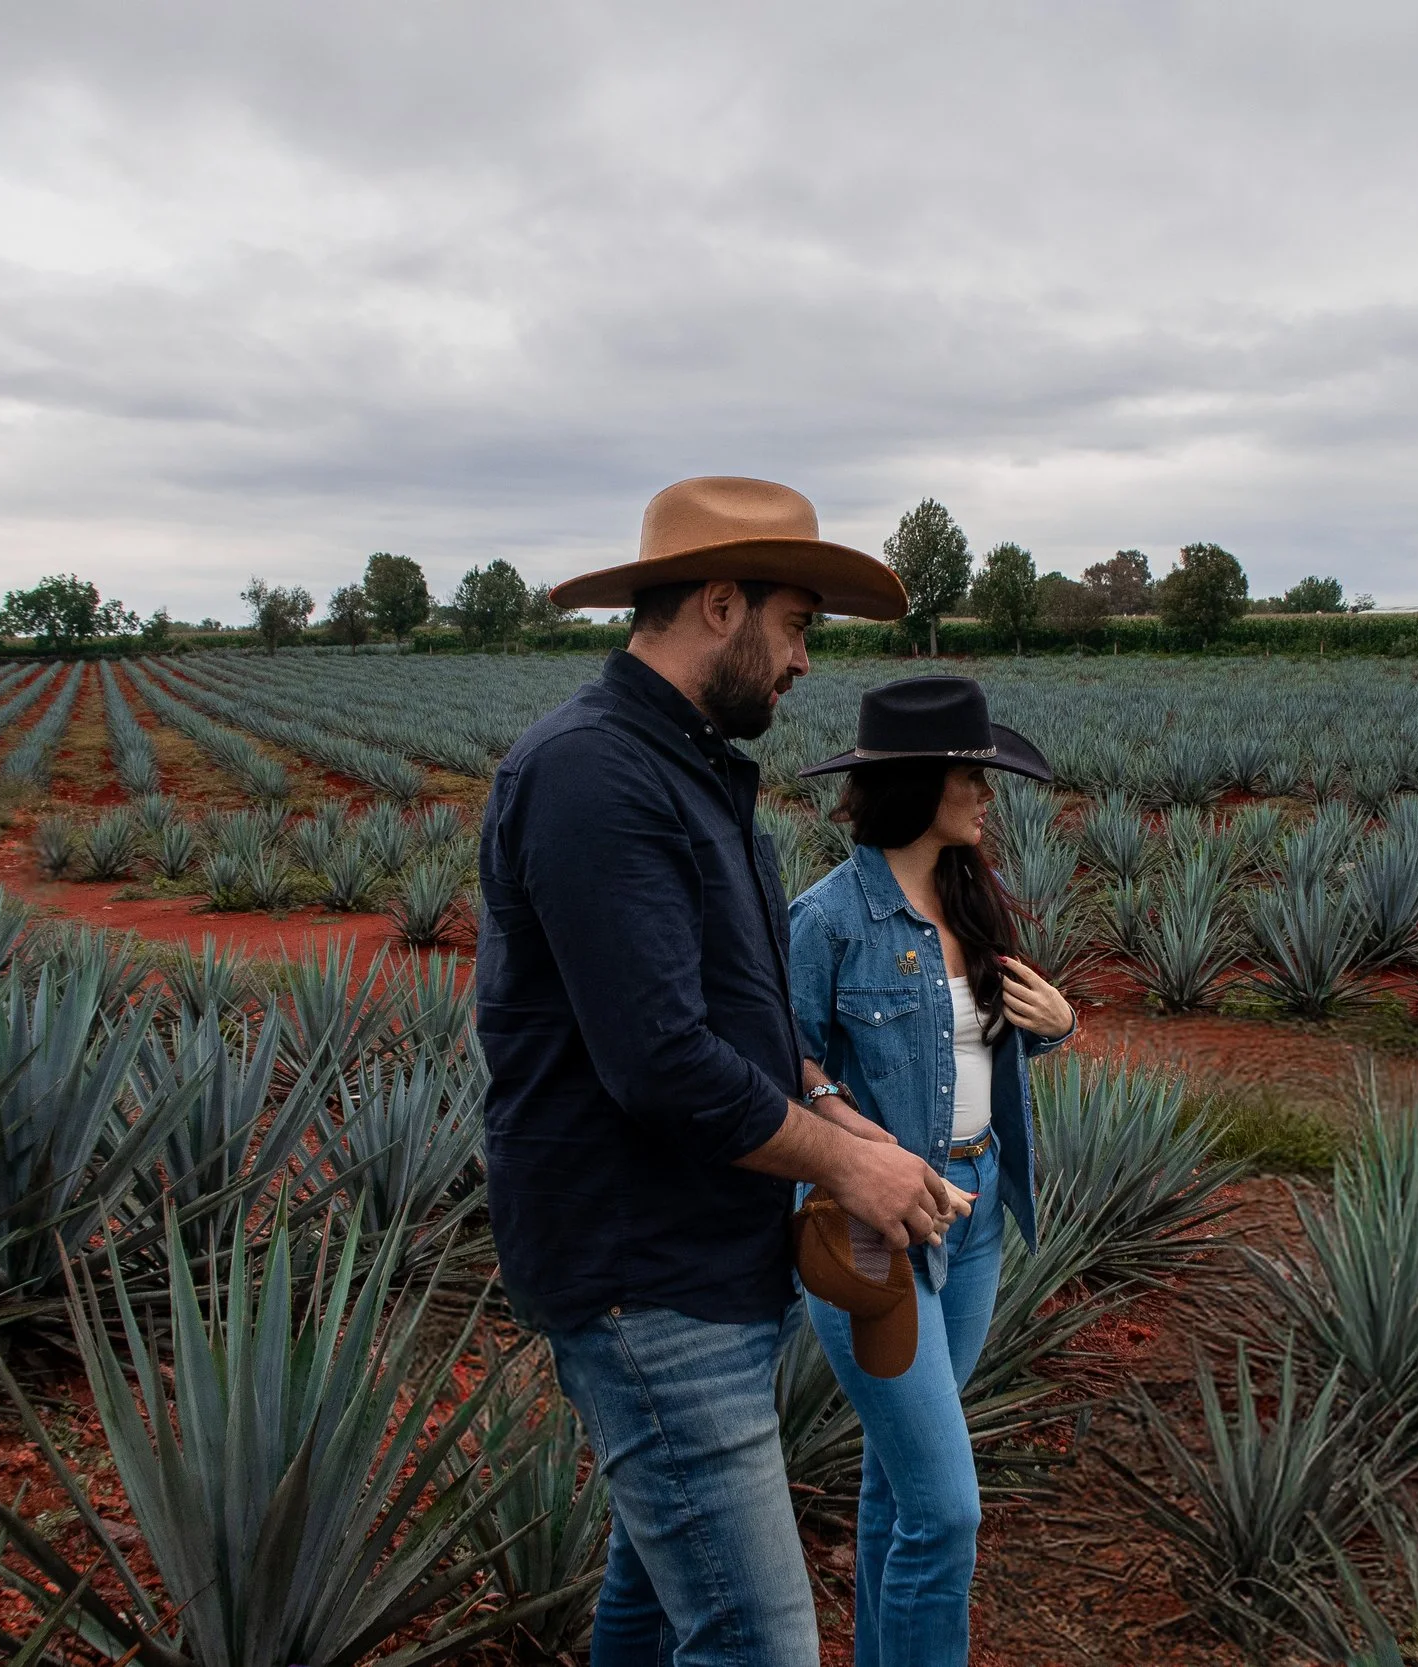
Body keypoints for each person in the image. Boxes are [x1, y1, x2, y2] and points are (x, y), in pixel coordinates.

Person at [477, 477, 965, 1667]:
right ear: (716, 601)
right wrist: (849, 1163)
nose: (803, 662)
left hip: (703, 1254)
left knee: (648, 1601)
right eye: (795, 624)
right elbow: (661, 1062)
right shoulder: (596, 774)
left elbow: (733, 1018)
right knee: (756, 1639)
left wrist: (833, 1105)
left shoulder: (688, 770)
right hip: (646, 1273)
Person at [787, 675, 1078, 1667]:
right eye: (971, 774)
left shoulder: (970, 900)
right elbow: (781, 1064)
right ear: (920, 785)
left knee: (899, 1486)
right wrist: (875, 1148)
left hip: (978, 1212)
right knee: (946, 1510)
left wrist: (1060, 1026)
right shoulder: (826, 919)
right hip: (872, 1226)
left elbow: (975, 1051)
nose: (987, 793)